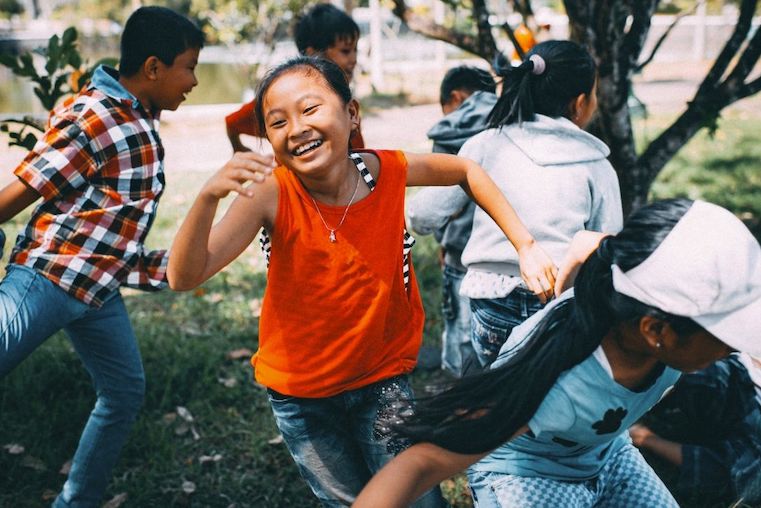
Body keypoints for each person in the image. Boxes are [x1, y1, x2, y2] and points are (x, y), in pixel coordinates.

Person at [167, 56, 556, 507]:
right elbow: (184, 276)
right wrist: (207, 197)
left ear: (351, 114)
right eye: (277, 122)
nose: (296, 129)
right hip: (302, 397)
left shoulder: (386, 171)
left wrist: (525, 245)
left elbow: (467, 171)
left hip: (380, 377)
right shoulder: (271, 193)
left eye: (310, 109)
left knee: (416, 496)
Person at [354, 198, 761, 508]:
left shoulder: (623, 271)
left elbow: (591, 243)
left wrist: (564, 295)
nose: (735, 345)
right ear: (656, 330)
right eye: (726, 331)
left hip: (605, 452)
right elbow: (421, 462)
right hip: (527, 474)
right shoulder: (554, 384)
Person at [0, 7, 203, 507]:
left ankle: (76, 502)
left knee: (124, 392)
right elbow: (24, 190)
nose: (194, 81)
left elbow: (111, 229)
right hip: (46, 278)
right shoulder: (96, 114)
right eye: (189, 66)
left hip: (96, 292)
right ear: (154, 68)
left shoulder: (137, 117)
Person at [407, 40, 623, 370]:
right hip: (558, 305)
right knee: (542, 396)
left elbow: (422, 215)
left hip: (490, 302)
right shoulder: (596, 164)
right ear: (580, 103)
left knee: (496, 393)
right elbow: (608, 243)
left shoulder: (484, 145)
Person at [408, 66, 497, 377]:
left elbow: (435, 206)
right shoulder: (510, 122)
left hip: (460, 250)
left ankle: (453, 386)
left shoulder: (451, 131)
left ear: (455, 97)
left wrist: (443, 240)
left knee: (459, 333)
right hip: (505, 256)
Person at [224, 3, 364, 154]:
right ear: (314, 55)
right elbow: (232, 122)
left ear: (351, 111)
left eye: (355, 50)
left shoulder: (343, 99)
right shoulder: (283, 97)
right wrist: (239, 148)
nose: (354, 59)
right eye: (345, 51)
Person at [629, 352, 761, 505]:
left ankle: (643, 436)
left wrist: (647, 439)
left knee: (738, 471)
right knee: (701, 369)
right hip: (742, 376)